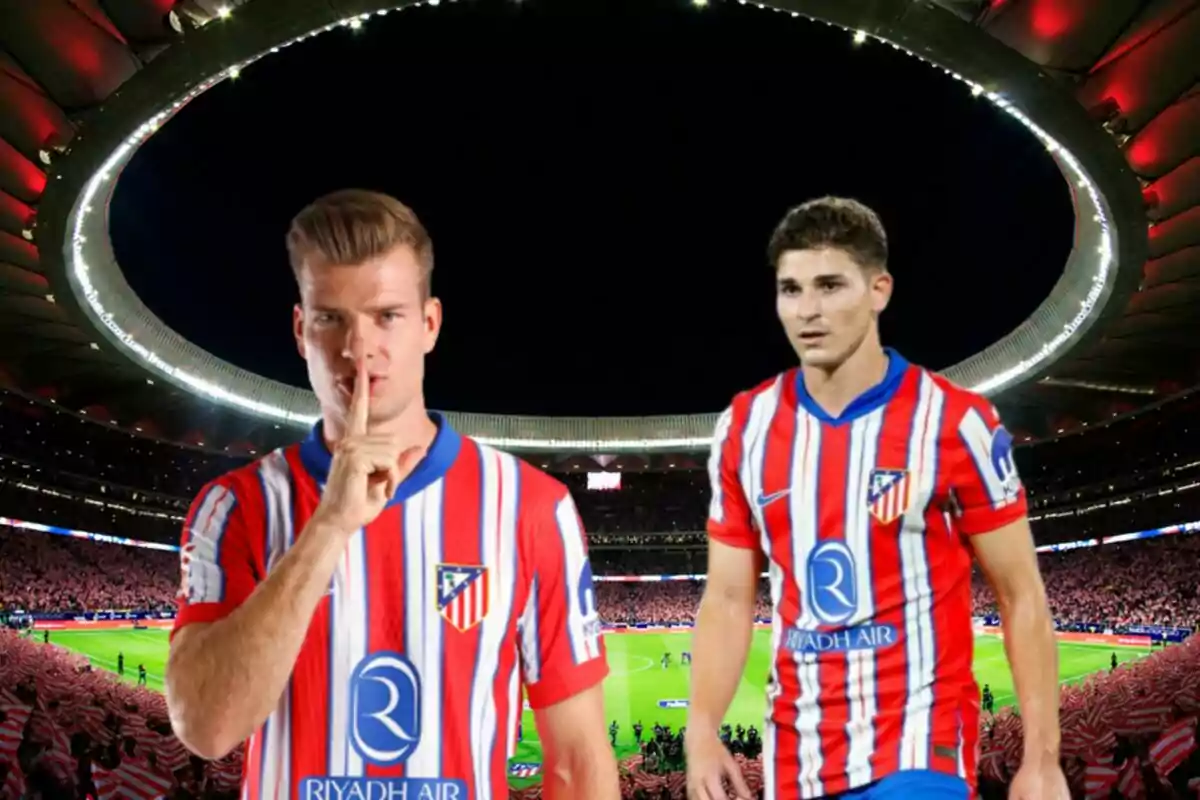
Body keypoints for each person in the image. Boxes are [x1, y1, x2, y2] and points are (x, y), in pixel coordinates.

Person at [164, 190, 618, 800]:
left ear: (429, 324)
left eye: (386, 315)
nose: (357, 347)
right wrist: (328, 526)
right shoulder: (237, 506)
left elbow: (578, 766)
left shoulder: (532, 509)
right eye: (331, 318)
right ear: (301, 330)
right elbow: (205, 728)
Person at [685, 197, 1067, 800]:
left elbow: (1022, 593)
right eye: (791, 289)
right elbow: (729, 598)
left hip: (920, 742)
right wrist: (701, 730)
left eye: (830, 285)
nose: (807, 310)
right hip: (798, 755)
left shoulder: (953, 421)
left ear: (879, 290)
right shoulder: (744, 427)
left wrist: (1042, 760)